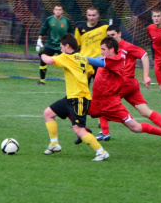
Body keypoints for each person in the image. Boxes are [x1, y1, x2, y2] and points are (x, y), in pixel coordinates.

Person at [86, 37, 161, 148]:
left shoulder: (117, 57)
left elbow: (144, 55)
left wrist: (146, 75)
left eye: (103, 49)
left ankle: (105, 132)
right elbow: (98, 59)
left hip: (121, 89)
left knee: (135, 127)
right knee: (145, 111)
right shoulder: (113, 54)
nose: (101, 51)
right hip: (125, 87)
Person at [41, 33, 110, 161]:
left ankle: (101, 152)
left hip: (78, 98)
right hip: (72, 97)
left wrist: (42, 54)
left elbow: (49, 60)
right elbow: (89, 72)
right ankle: (54, 144)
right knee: (48, 113)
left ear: (67, 46)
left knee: (78, 129)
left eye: (61, 47)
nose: (61, 50)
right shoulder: (82, 57)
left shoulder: (67, 56)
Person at [36, 5, 74, 85]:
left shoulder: (66, 21)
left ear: (62, 11)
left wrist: (71, 43)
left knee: (69, 63)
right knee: (43, 60)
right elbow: (43, 30)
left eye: (60, 10)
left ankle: (71, 81)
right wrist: (39, 40)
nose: (58, 11)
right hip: (51, 45)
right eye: (56, 9)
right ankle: (42, 81)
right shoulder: (49, 20)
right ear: (53, 11)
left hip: (63, 46)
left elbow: (72, 32)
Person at [74, 5, 109, 85]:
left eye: (93, 15)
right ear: (86, 15)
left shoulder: (105, 28)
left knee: (100, 88)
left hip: (99, 62)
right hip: (85, 61)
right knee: (82, 88)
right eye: (89, 15)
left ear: (98, 15)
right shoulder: (79, 28)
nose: (91, 17)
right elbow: (75, 46)